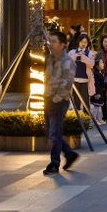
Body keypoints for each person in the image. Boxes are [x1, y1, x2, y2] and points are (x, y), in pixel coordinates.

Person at [42, 29, 79, 175]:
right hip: (48, 97)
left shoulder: (68, 62)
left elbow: (67, 83)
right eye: (50, 41)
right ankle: (70, 154)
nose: (50, 44)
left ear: (63, 45)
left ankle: (54, 163)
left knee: (54, 133)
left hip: (59, 101)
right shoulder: (50, 59)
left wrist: (55, 99)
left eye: (54, 41)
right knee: (53, 133)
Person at [72, 33, 95, 112]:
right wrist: (75, 56)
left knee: (85, 101)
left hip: (85, 81)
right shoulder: (73, 52)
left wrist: (83, 57)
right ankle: (77, 120)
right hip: (74, 80)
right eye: (82, 42)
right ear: (78, 42)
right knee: (76, 102)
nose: (83, 44)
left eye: (85, 42)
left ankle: (87, 120)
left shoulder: (90, 53)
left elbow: (92, 64)